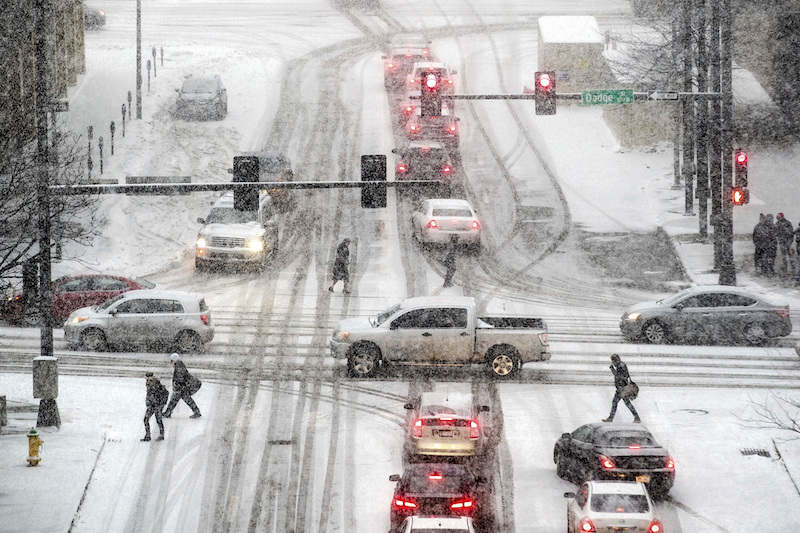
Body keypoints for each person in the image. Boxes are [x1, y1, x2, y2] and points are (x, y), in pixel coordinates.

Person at [602, 354, 640, 423]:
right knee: (621, 403)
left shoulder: (620, 366)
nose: (612, 363)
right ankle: (636, 417)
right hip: (621, 389)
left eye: (612, 361)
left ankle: (636, 418)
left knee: (619, 403)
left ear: (615, 360)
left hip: (622, 389)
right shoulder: (621, 365)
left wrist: (612, 369)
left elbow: (618, 376)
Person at [162, 353, 202, 419]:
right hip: (183, 387)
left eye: (171, 360)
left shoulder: (178, 366)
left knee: (176, 399)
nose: (171, 362)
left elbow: (180, 378)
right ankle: (196, 412)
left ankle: (168, 413)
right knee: (185, 399)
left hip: (181, 387)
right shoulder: (179, 365)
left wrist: (177, 384)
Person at [142, 372, 168, 442]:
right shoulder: (151, 383)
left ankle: (158, 435)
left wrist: (155, 403)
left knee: (157, 419)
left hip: (156, 405)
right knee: (147, 420)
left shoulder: (154, 384)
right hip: (152, 405)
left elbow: (153, 395)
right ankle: (150, 435)